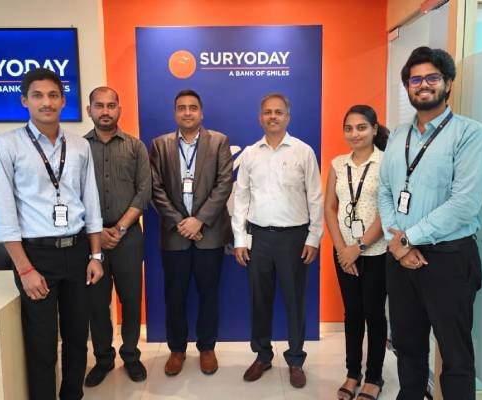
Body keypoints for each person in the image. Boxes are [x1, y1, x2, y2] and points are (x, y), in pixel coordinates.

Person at [377, 46, 482, 400]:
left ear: (448, 83)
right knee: (407, 346)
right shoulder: (398, 135)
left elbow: (464, 204)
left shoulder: (470, 134)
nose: (423, 85)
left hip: (448, 259)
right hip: (400, 260)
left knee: (455, 355)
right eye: (415, 80)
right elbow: (385, 190)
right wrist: (398, 243)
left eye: (432, 77)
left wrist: (407, 238)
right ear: (408, 87)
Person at [0, 68, 104, 400]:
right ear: (24, 101)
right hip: (35, 255)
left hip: (77, 251)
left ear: (63, 101)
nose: (46, 102)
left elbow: (90, 201)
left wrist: (96, 255)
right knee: (41, 343)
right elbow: (3, 213)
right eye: (37, 95)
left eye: (53, 95)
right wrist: (25, 269)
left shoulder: (79, 146)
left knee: (77, 337)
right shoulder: (5, 146)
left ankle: (72, 395)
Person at [232, 93, 323, 389]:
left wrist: (314, 237)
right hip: (258, 238)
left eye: (279, 112)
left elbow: (316, 197)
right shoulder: (250, 154)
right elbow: (241, 198)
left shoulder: (303, 152)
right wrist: (240, 239)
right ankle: (262, 355)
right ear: (260, 117)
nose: (273, 116)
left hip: (294, 238)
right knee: (260, 300)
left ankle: (295, 359)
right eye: (268, 112)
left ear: (288, 117)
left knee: (295, 301)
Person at [149, 89, 233, 377]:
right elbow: (155, 188)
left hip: (209, 234)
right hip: (174, 236)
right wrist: (180, 223)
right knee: (174, 295)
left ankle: (207, 348)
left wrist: (199, 221)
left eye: (193, 107)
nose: (187, 112)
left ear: (201, 112)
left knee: (209, 294)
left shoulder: (219, 141)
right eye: (182, 107)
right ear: (175, 113)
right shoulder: (159, 145)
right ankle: (177, 349)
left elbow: (224, 184)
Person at [82, 87, 152, 387]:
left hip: (129, 236)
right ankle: (103, 359)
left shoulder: (136, 147)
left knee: (131, 299)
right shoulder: (78, 148)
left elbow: (144, 191)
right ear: (89, 110)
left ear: (119, 110)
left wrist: (120, 228)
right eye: (99, 106)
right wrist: (97, 231)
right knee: (96, 303)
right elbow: (72, 193)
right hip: (90, 237)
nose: (105, 111)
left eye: (111, 105)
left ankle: (131, 356)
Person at [325, 105, 389, 400]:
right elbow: (330, 208)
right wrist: (342, 250)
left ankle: (374, 378)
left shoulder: (386, 163)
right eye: (349, 128)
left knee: (374, 314)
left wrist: (358, 247)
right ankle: (353, 374)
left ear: (374, 129)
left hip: (375, 252)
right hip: (344, 253)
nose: (355, 134)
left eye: (361, 127)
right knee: (352, 314)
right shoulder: (338, 164)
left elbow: (388, 212)